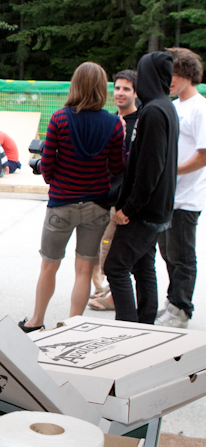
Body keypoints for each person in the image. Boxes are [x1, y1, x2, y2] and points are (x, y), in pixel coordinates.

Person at [19, 62, 124, 332]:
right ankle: (71, 326)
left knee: (49, 266)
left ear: (74, 84)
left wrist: (50, 178)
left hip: (61, 204)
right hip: (97, 205)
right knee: (84, 270)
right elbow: (118, 167)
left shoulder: (59, 119)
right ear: (103, 88)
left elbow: (48, 163)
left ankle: (36, 321)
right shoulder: (114, 123)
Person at [105, 52, 178, 325]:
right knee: (143, 265)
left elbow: (150, 168)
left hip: (145, 209)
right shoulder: (165, 106)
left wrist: (129, 208)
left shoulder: (154, 112)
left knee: (115, 266)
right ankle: (146, 323)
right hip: (158, 207)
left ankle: (126, 327)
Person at [156, 48, 206, 327]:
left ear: (188, 74)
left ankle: (181, 309)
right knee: (168, 252)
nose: (170, 80)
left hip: (188, 196)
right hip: (168, 195)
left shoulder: (200, 107)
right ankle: (173, 300)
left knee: (183, 255)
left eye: (174, 74)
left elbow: (203, 154)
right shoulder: (173, 106)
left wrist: (170, 171)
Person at [88, 70, 139, 311]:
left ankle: (112, 296)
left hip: (121, 200)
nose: (120, 93)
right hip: (102, 196)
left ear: (136, 93)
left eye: (126, 89)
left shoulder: (139, 123)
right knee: (97, 250)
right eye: (117, 88)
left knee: (109, 251)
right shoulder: (110, 121)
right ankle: (102, 289)